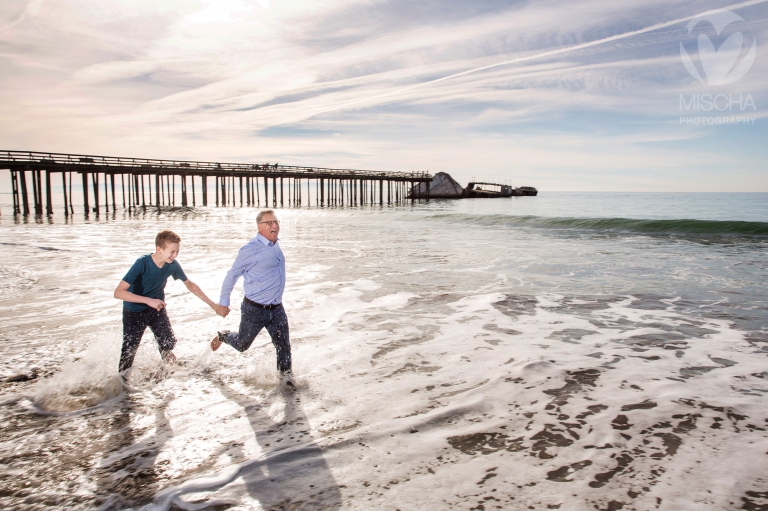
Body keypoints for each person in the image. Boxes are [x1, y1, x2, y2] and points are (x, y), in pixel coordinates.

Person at [114, 230, 227, 375]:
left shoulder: (172, 265)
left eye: (177, 252)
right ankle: (123, 388)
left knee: (168, 343)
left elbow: (190, 285)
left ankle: (167, 374)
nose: (175, 255)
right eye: (172, 252)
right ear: (159, 249)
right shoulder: (142, 263)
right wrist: (148, 301)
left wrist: (213, 305)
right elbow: (118, 292)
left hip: (156, 309)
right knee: (129, 354)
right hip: (134, 312)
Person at [211, 209, 294, 388]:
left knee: (284, 346)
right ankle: (225, 335)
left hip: (277, 309)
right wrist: (223, 302)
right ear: (259, 227)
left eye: (276, 222)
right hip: (254, 309)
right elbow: (231, 275)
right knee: (242, 345)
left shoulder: (275, 245)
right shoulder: (250, 249)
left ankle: (287, 382)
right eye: (270, 223)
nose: (275, 226)